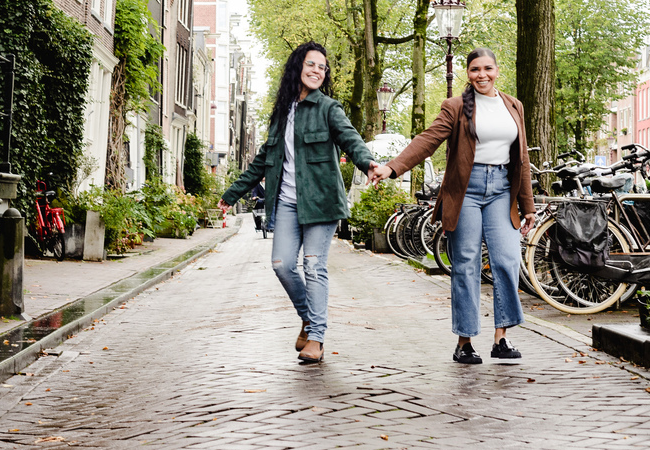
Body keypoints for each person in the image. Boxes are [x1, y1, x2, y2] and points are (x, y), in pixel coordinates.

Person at [369, 48, 535, 364]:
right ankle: (465, 342)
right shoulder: (456, 107)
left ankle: (501, 338)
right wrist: (393, 167)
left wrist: (527, 204)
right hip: (466, 191)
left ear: (497, 71)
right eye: (475, 69)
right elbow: (428, 140)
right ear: (468, 73)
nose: (481, 75)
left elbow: (522, 159)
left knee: (507, 260)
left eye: (487, 68)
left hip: (502, 190)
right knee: (467, 264)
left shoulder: (513, 106)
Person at [219, 42, 378, 364]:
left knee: (314, 265)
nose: (317, 70)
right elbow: (261, 161)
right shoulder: (281, 114)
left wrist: (369, 163)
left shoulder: (329, 108)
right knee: (281, 265)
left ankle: (316, 338)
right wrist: (230, 194)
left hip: (321, 202)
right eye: (312, 64)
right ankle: (309, 319)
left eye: (322, 67)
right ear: (298, 67)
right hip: (288, 204)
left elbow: (351, 139)